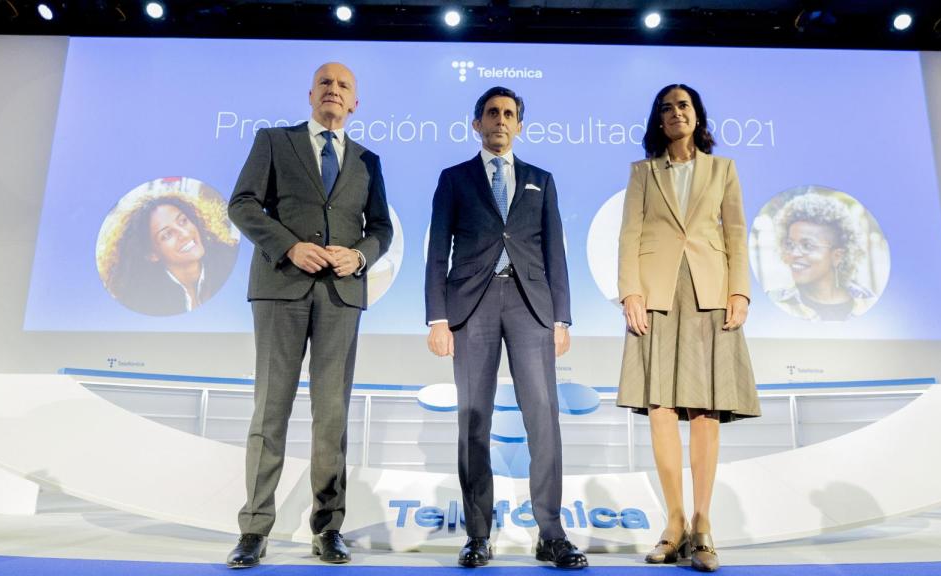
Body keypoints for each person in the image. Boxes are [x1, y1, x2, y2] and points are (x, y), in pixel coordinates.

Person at [225, 62, 392, 568]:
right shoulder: (275, 141)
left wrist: (360, 255)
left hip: (341, 296)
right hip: (281, 288)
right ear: (311, 93)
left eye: (344, 86)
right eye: (326, 83)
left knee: (332, 417)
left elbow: (381, 227)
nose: (334, 91)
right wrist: (289, 246)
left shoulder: (368, 160)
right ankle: (254, 530)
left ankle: (329, 528)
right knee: (270, 412)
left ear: (355, 103)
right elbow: (242, 204)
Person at [424, 86, 587, 570]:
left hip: (530, 305)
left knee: (543, 418)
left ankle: (551, 533)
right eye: (491, 113)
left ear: (519, 125)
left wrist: (561, 317)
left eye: (508, 114)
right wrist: (437, 317)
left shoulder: (541, 179)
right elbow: (437, 253)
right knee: (473, 418)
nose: (500, 120)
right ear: (476, 123)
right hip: (469, 306)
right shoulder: (454, 179)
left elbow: (555, 251)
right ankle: (478, 534)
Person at [616, 84, 761, 572]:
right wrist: (630, 292)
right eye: (667, 108)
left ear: (697, 116)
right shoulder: (643, 172)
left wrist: (739, 290)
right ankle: (673, 523)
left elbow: (736, 232)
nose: (676, 113)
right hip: (656, 294)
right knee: (660, 405)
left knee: (705, 409)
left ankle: (702, 524)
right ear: (658, 120)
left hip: (709, 291)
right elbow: (629, 234)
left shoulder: (723, 169)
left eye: (684, 106)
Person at [104, 193, 237, 316]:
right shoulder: (144, 301)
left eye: (183, 221)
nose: (184, 234)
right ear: (152, 255)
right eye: (167, 235)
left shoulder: (230, 260)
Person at [769, 191, 876, 321]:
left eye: (807, 246)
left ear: (837, 256)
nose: (794, 253)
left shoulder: (868, 301)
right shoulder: (774, 302)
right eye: (790, 244)